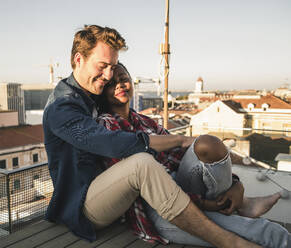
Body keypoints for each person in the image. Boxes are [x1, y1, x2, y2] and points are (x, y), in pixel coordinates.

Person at [43, 24, 266, 248]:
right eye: (103, 66)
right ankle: (230, 242)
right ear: (79, 59)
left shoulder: (93, 95)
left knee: (200, 146)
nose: (109, 75)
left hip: (120, 195)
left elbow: (168, 152)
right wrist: (179, 139)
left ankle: (238, 203)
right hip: (82, 206)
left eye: (113, 67)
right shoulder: (62, 107)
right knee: (141, 163)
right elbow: (110, 142)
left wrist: (234, 183)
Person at [96, 62, 290, 247]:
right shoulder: (106, 125)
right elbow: (136, 187)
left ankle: (240, 203)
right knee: (269, 232)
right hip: (162, 210)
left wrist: (235, 183)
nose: (120, 84)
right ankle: (241, 206)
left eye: (123, 78)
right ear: (102, 91)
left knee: (208, 143)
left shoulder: (145, 121)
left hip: (185, 189)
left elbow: (181, 156)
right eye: (111, 83)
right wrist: (205, 203)